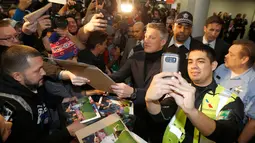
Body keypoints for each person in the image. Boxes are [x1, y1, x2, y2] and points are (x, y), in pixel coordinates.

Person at [146, 45, 244, 143]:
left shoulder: (230, 99)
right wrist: (150, 101)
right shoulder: (179, 89)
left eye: (200, 61)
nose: (193, 66)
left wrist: (192, 112)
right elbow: (161, 116)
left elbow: (226, 134)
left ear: (213, 65)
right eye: (190, 62)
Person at [0, 45, 85, 143]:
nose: (44, 72)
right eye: (38, 70)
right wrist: (69, 131)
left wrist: (62, 100)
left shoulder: (31, 82)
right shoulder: (15, 110)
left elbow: (40, 96)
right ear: (17, 76)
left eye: (42, 67)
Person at [110, 23, 168, 142]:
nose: (146, 40)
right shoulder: (136, 56)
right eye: (146, 36)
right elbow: (116, 77)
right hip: (137, 116)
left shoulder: (169, 62)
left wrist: (134, 92)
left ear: (162, 42)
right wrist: (93, 76)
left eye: (152, 37)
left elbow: (164, 93)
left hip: (158, 118)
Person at [213, 40, 255, 143]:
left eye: (231, 55)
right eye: (228, 52)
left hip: (228, 132)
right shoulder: (221, 69)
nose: (226, 56)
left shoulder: (252, 84)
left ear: (244, 59)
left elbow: (253, 122)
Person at [164, 11, 204, 80]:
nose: (182, 30)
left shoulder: (199, 48)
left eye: (186, 28)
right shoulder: (163, 44)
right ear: (173, 27)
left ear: (191, 29)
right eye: (179, 26)